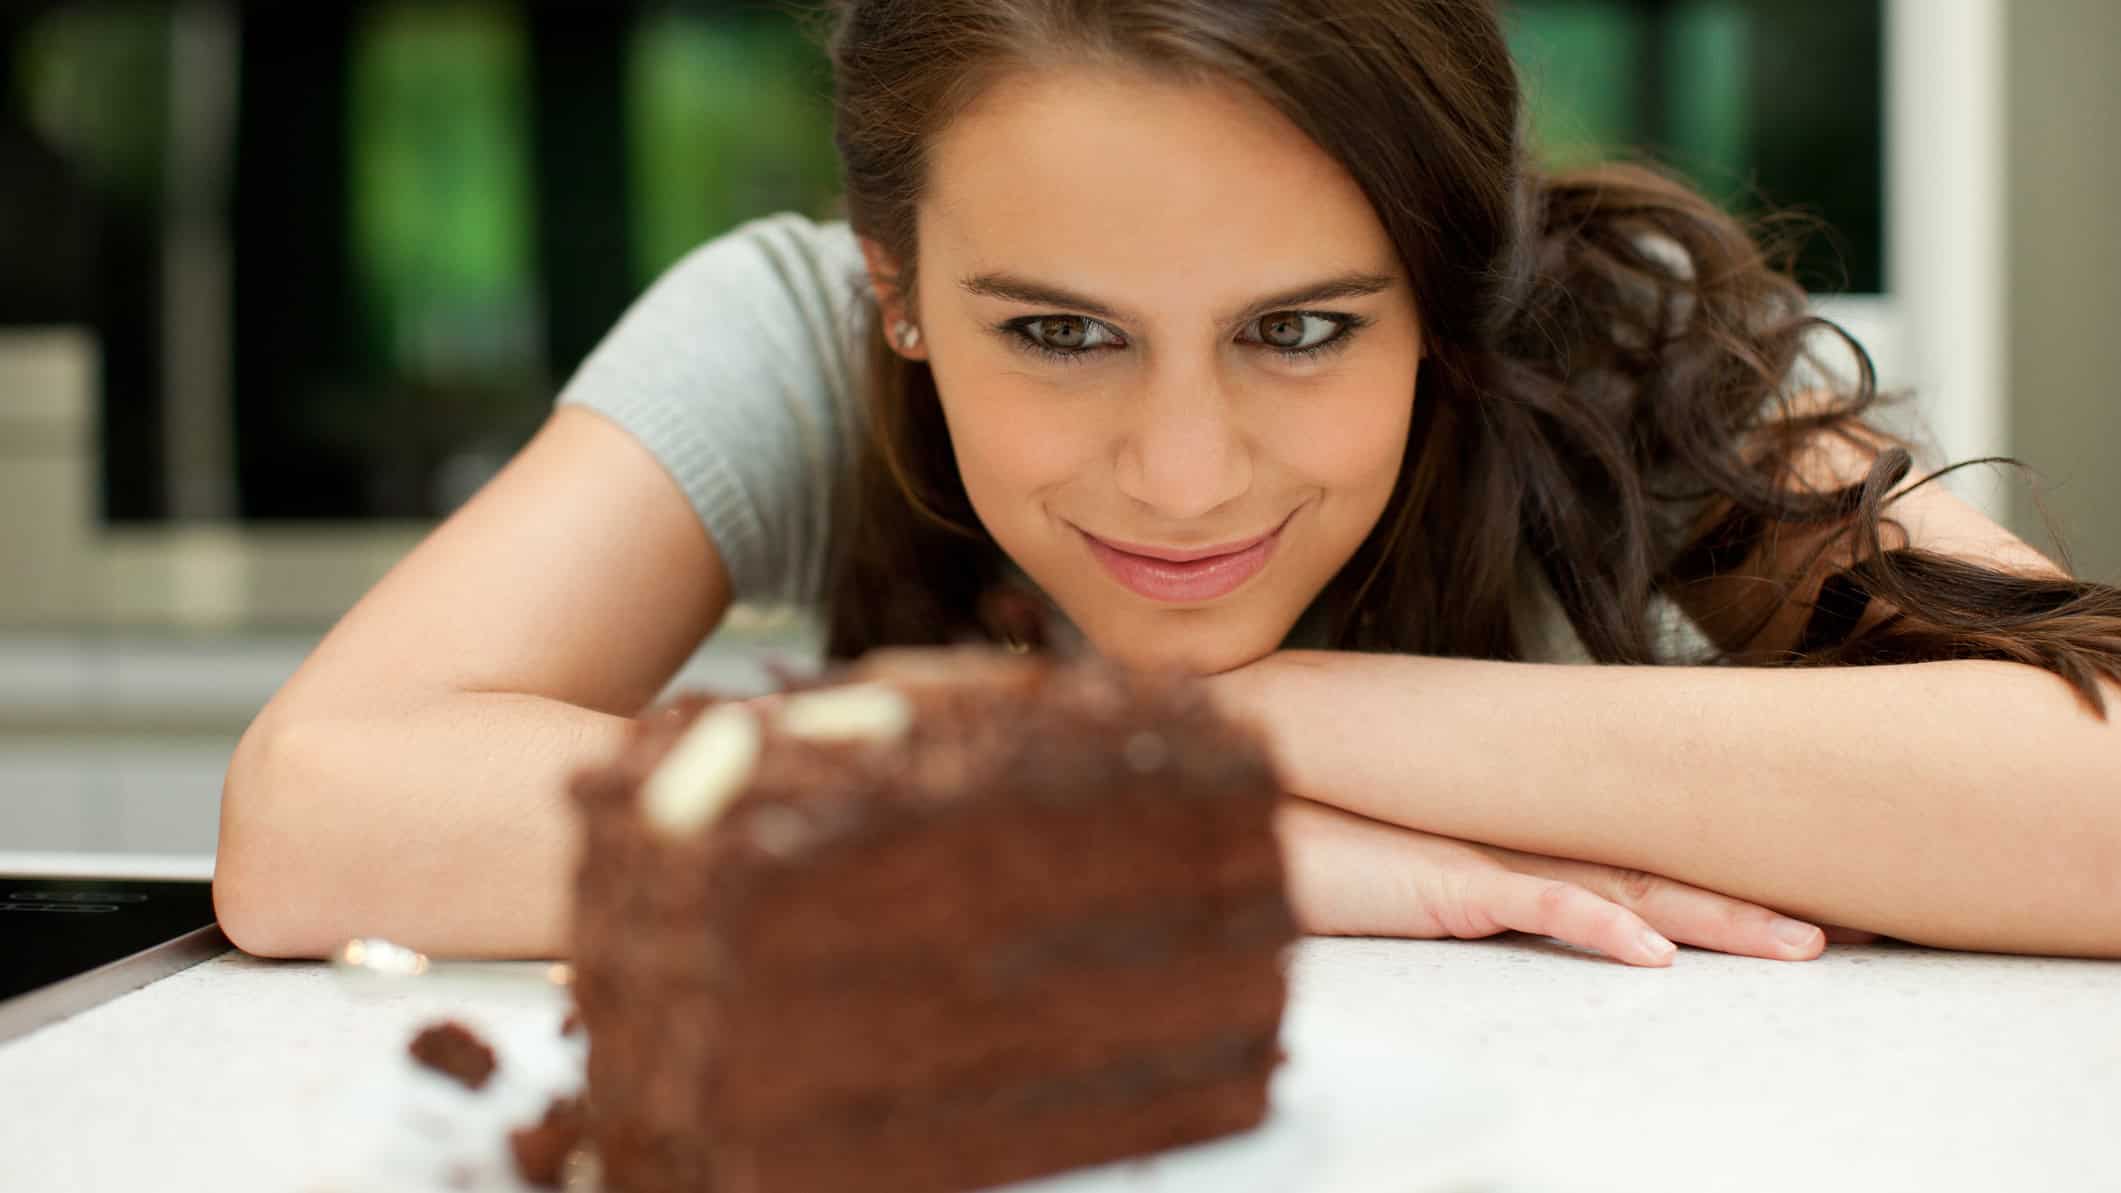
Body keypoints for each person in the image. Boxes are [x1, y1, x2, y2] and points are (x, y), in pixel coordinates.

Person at [212, 0, 2121, 965]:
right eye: (1057, 334)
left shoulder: (1610, 332)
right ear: (894, 283)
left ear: (1452, 290)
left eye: (1300, 330)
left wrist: (1233, 712)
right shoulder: (782, 329)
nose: (1186, 477)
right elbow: (317, 820)